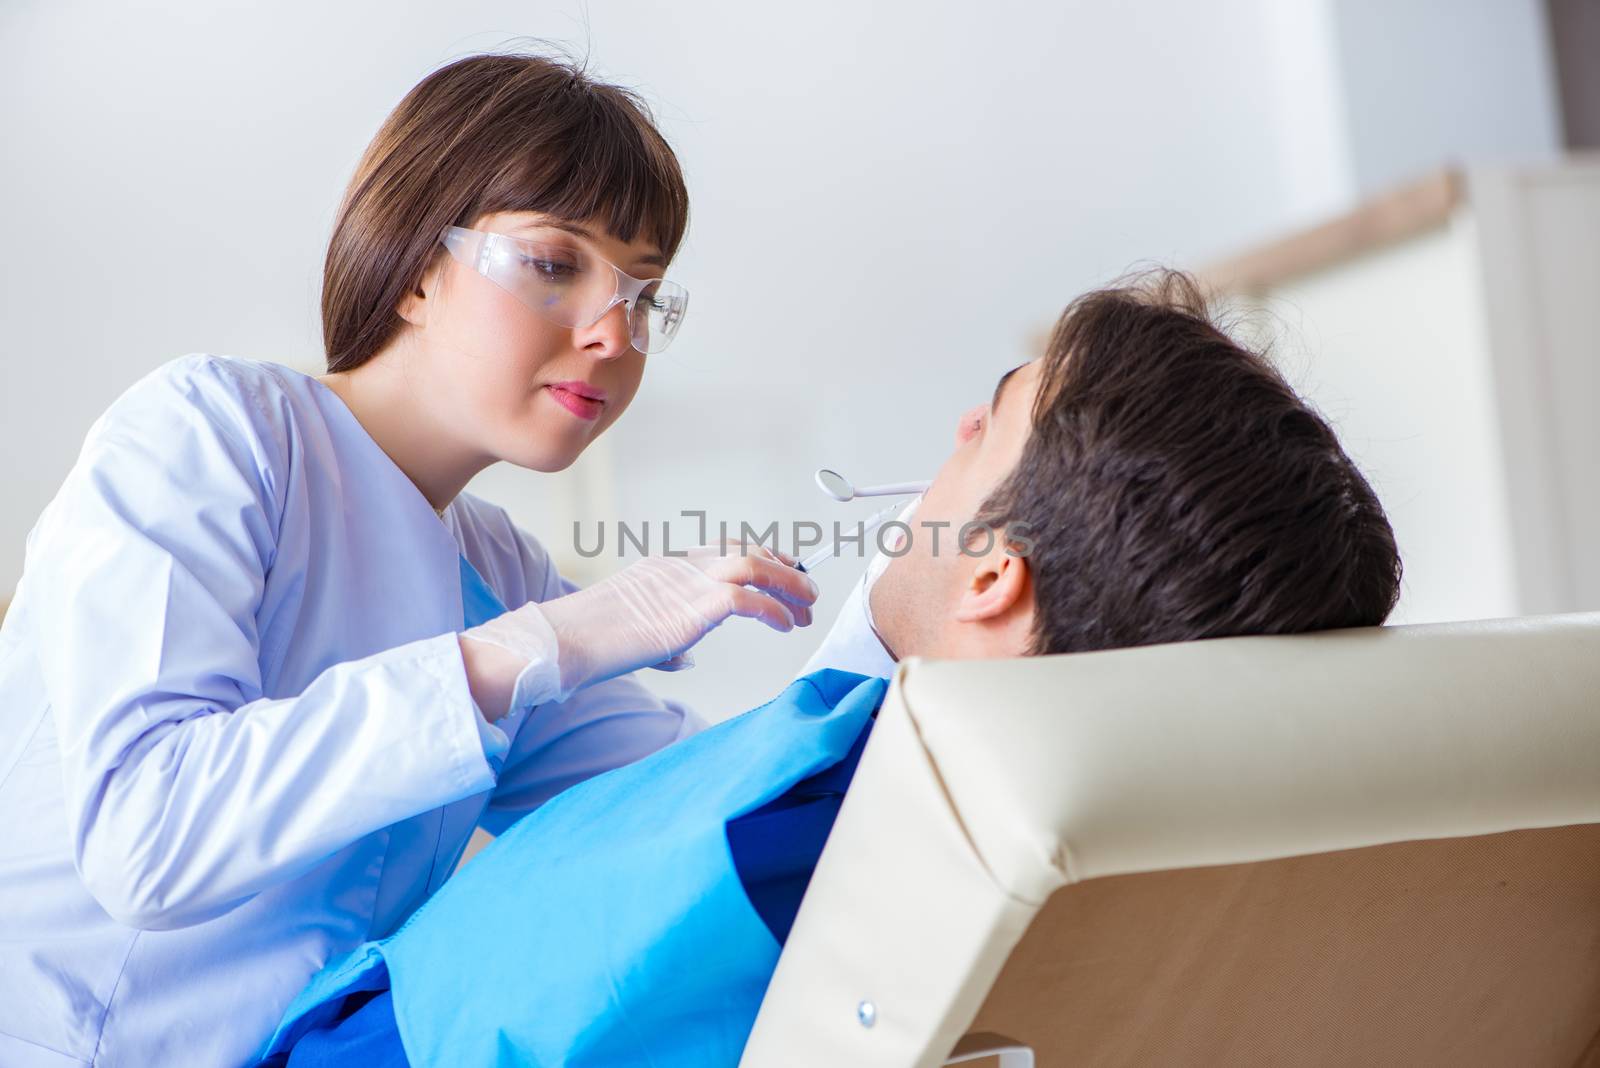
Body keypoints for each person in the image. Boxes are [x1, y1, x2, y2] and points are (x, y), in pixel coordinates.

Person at [257, 270, 1404, 1067]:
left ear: (995, 579)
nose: (957, 427)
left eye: (992, 418)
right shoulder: (1083, 856)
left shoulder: (812, 811)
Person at [0, 52, 819, 1068]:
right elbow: (148, 834)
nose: (615, 334)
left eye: (645, 296)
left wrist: (909, 636)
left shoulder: (495, 568)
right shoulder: (211, 431)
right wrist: (545, 641)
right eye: (558, 264)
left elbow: (703, 801)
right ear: (419, 265)